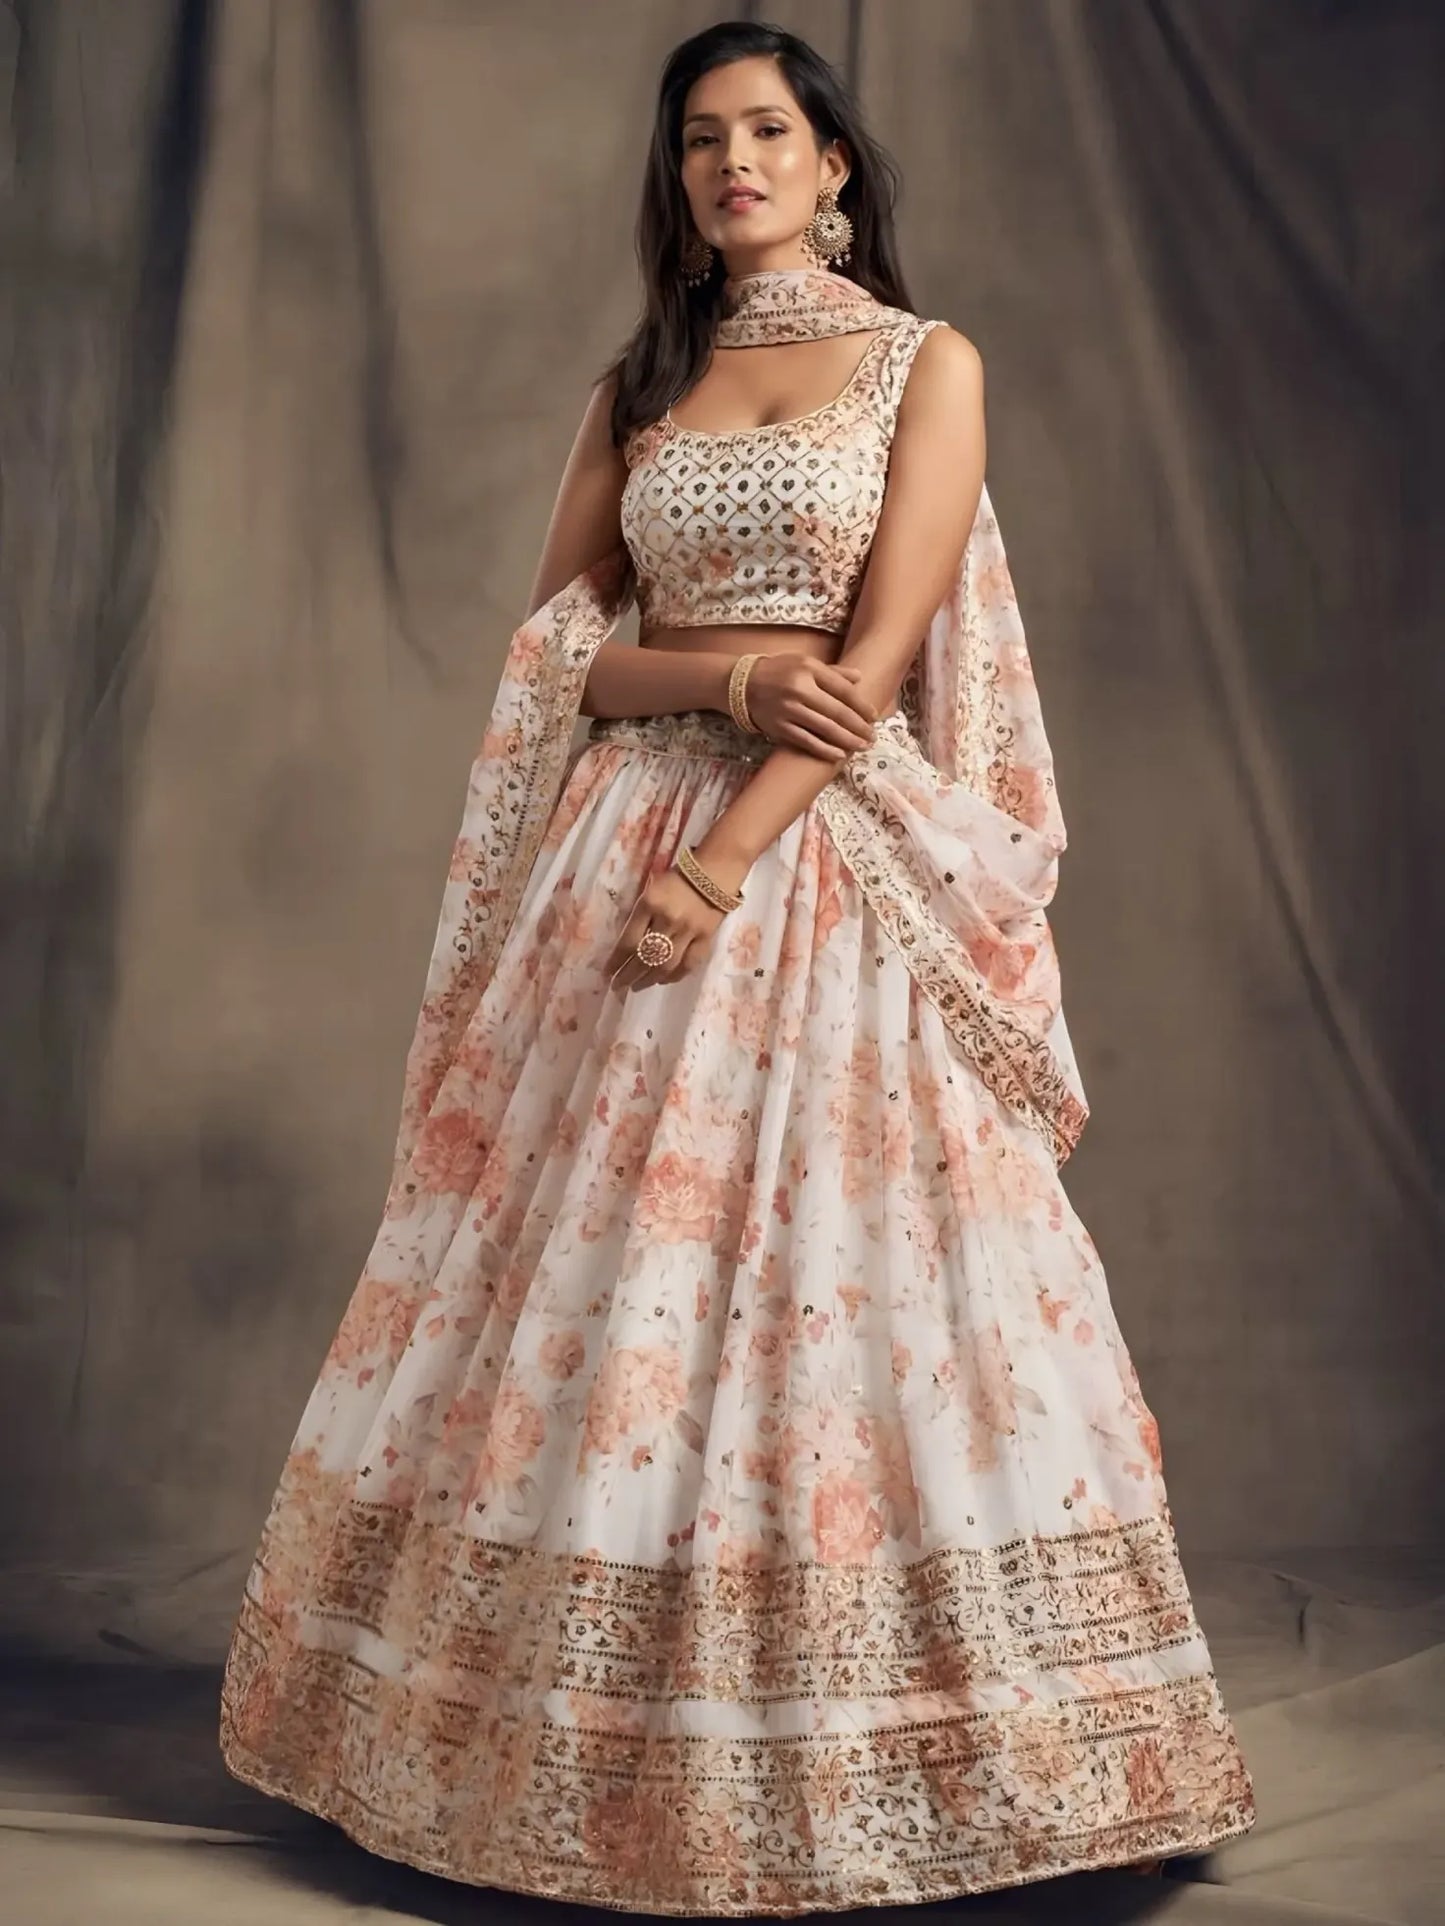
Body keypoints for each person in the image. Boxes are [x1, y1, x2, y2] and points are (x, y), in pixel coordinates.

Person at [219, 18, 1256, 1915]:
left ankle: (920, 1754)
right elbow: (564, 653)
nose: (734, 163)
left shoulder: (921, 367)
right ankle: (563, 1756)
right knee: (594, 1293)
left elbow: (869, 666)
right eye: (701, 139)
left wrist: (719, 851)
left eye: (768, 129)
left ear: (836, 161)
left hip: (811, 863)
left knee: (856, 1282)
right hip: (624, 856)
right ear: (679, 177)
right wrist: (712, 676)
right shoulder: (646, 381)